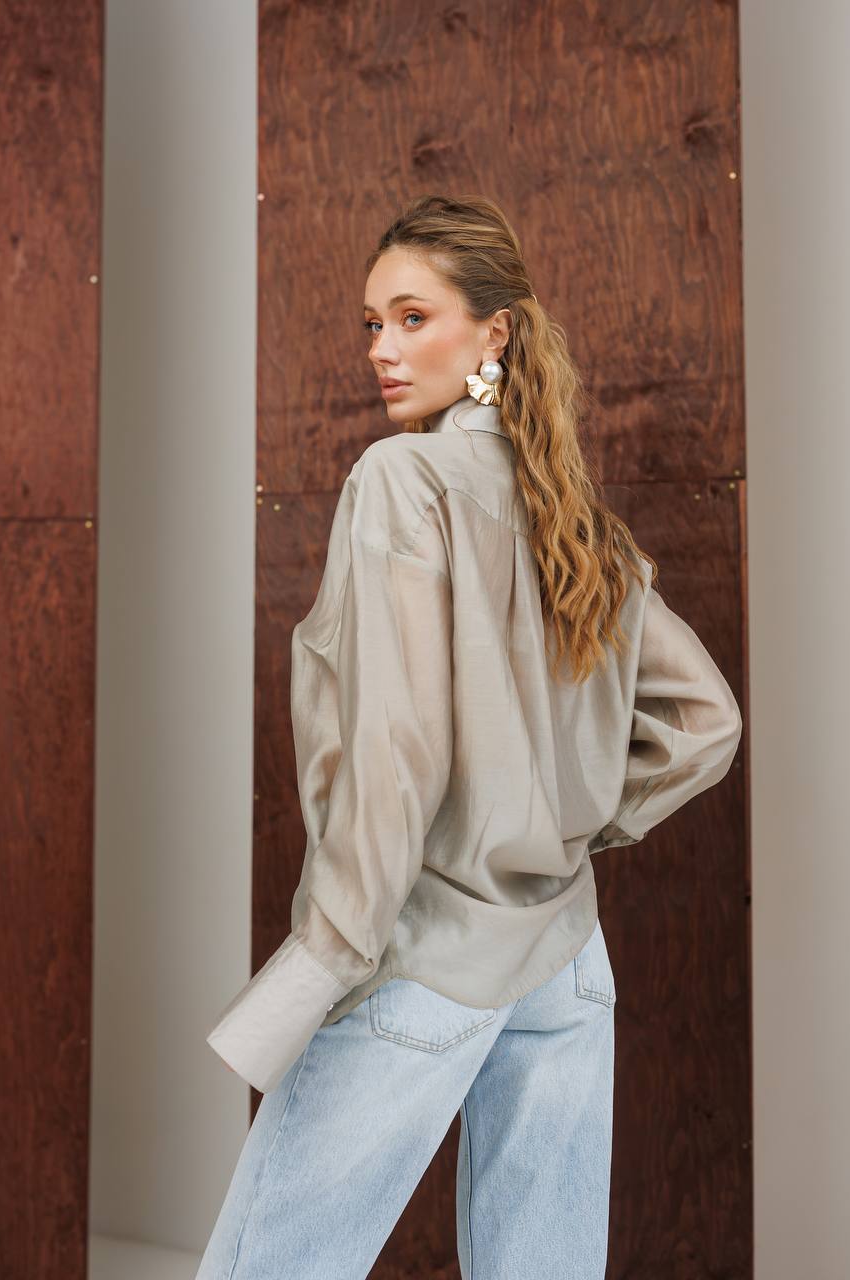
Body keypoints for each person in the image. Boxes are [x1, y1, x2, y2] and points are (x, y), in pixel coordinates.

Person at [196, 194, 743, 1279]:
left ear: (493, 333)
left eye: (411, 317)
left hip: (423, 952)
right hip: (568, 960)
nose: (380, 350)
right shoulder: (573, 514)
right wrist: (562, 825)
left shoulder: (401, 481)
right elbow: (705, 721)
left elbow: (399, 752)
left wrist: (324, 961)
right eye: (371, 323)